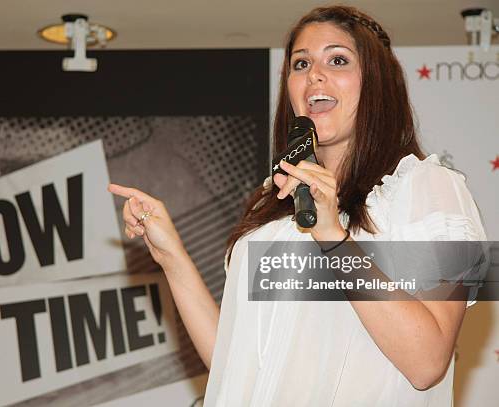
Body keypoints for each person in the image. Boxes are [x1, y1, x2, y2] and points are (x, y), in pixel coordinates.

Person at [109, 5, 487, 406]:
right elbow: (237, 367)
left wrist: (334, 237)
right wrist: (172, 258)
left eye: (338, 60)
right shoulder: (273, 204)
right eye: (300, 63)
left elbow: (427, 362)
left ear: (377, 84)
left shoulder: (427, 187)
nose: (315, 75)